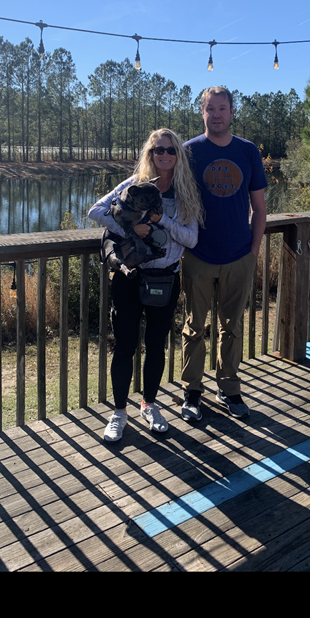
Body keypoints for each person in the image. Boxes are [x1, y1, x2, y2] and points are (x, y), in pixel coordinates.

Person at [88, 128, 203, 443]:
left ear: (178, 155)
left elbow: (191, 238)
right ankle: (119, 413)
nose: (164, 155)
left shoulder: (186, 193)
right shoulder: (133, 184)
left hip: (165, 279)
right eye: (157, 150)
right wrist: (130, 227)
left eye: (170, 150)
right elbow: (95, 212)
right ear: (150, 154)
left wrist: (160, 221)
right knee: (125, 346)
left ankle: (149, 405)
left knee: (156, 345)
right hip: (129, 276)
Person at [181, 86, 268, 422]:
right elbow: (167, 194)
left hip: (238, 255)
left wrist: (253, 251)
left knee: (231, 327)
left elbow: (259, 208)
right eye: (210, 109)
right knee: (193, 327)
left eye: (222, 108)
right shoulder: (188, 152)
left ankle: (229, 389)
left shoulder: (247, 152)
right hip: (198, 254)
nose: (216, 114)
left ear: (232, 112)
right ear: (202, 113)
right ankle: (192, 392)